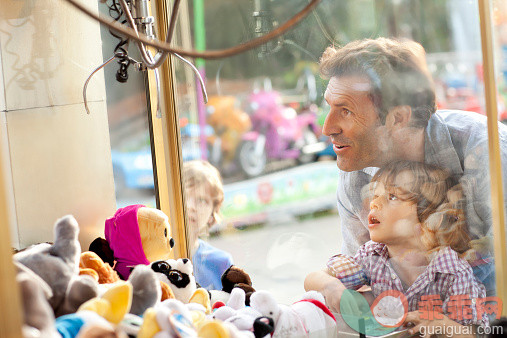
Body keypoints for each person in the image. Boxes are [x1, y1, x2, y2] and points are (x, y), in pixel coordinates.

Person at [314, 37, 507, 295]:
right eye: (330, 107)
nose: (327, 128)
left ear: (399, 118)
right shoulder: (355, 179)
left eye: (346, 110)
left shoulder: (485, 151)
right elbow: (361, 279)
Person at [305, 161, 488, 333]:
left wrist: (442, 324)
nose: (374, 203)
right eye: (374, 196)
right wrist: (331, 286)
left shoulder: (453, 273)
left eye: (392, 196)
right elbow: (314, 278)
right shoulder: (373, 256)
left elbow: (473, 333)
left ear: (432, 217)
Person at [182, 160, 233, 290]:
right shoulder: (152, 256)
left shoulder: (222, 263)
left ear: (212, 212)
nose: (191, 206)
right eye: (184, 196)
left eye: (201, 200)